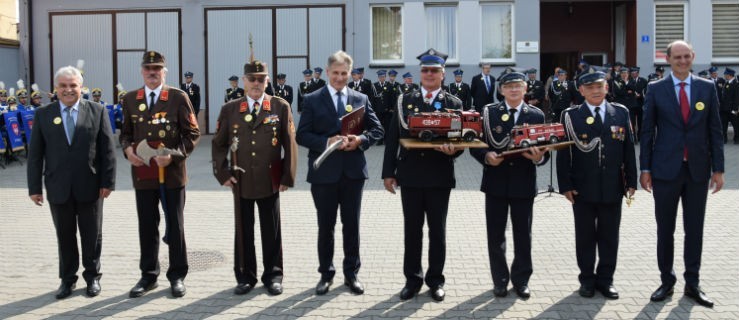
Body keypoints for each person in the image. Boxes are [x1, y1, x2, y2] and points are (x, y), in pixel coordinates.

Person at [640, 40, 724, 308]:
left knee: (695, 230)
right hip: (665, 171)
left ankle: (693, 282)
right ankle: (667, 281)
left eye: (687, 56)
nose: (683, 60)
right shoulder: (655, 89)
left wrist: (719, 170)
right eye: (677, 57)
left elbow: (715, 131)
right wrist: (645, 169)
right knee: (665, 230)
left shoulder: (707, 87)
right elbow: (646, 132)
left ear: (693, 57)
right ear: (668, 59)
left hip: (698, 170)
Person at [296, 50, 383, 296]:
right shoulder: (312, 99)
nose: (340, 77)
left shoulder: (360, 98)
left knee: (351, 225)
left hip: (353, 174)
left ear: (350, 73)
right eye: (335, 73)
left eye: (344, 73)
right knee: (326, 226)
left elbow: (378, 130)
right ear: (327, 72)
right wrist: (327, 141)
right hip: (324, 174)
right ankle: (326, 274)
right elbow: (301, 135)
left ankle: (351, 274)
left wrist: (361, 139)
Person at [381, 48, 464, 302]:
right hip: (411, 176)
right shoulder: (405, 100)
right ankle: (413, 280)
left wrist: (453, 152)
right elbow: (393, 138)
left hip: (439, 177)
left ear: (443, 74)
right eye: (425, 70)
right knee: (412, 230)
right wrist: (388, 173)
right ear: (420, 73)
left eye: (434, 71)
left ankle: (435, 280)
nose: (429, 74)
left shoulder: (454, 104)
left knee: (437, 232)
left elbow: (460, 142)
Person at [27, 66, 116, 299]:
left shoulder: (97, 111)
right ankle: (67, 280)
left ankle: (92, 277)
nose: (68, 90)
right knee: (64, 236)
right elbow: (35, 154)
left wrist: (108, 182)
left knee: (91, 235)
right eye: (63, 86)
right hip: (58, 187)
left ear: (81, 87)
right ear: (56, 88)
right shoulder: (43, 114)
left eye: (73, 85)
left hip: (91, 186)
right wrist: (34, 188)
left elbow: (108, 150)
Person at [212, 57, 297, 296]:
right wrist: (223, 173)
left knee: (271, 230)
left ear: (267, 80)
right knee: (243, 230)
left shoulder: (279, 106)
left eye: (261, 79)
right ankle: (245, 275)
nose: (256, 83)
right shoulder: (230, 109)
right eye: (252, 79)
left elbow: (290, 144)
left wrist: (286, 177)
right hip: (241, 180)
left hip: (270, 179)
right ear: (243, 81)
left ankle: (273, 275)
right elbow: (219, 145)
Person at [119, 51, 200, 298]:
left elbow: (192, 134)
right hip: (144, 173)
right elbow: (125, 133)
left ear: (164, 72)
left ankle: (176, 275)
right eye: (148, 69)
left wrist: (175, 155)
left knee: (175, 226)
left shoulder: (177, 97)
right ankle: (148, 275)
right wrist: (127, 149)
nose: (152, 73)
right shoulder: (131, 99)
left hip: (171, 174)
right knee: (147, 225)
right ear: (142, 71)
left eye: (157, 69)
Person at [557, 70, 637, 300]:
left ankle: (606, 280)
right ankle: (587, 280)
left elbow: (628, 149)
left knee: (610, 236)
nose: (595, 91)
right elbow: (564, 153)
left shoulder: (620, 112)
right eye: (590, 87)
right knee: (585, 236)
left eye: (599, 86)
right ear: (581, 91)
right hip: (582, 188)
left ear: (607, 88)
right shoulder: (570, 115)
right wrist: (565, 185)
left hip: (613, 186)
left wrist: (631, 180)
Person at [469, 71, 548, 299]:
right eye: (509, 86)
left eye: (518, 86)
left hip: (524, 183)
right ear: (501, 90)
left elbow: (544, 150)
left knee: (523, 235)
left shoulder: (535, 114)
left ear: (525, 89)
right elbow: (476, 142)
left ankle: (521, 280)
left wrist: (538, 158)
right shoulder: (489, 112)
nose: (514, 90)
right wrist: (486, 157)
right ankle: (500, 280)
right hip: (496, 182)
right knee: (496, 235)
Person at [373, 70, 395, 145]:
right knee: (379, 125)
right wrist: (373, 109)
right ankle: (379, 140)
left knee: (387, 125)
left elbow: (392, 98)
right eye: (380, 77)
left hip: (387, 110)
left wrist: (392, 108)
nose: (381, 78)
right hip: (378, 110)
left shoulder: (389, 85)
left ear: (385, 77)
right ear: (378, 78)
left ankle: (386, 140)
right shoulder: (374, 86)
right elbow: (372, 99)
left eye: (383, 77)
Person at [719, 68, 739, 144]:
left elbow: (737, 98)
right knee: (724, 125)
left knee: (736, 125)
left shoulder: (736, 84)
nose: (724, 76)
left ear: (729, 75)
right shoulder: (727, 83)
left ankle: (737, 139)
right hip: (724, 109)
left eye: (725, 74)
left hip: (732, 109)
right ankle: (724, 139)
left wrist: (735, 109)